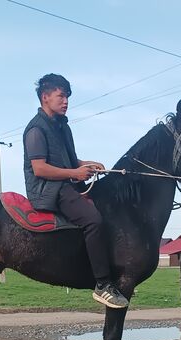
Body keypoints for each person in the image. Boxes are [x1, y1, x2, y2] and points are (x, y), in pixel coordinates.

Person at [23, 73, 128, 309]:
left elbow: (69, 160)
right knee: (93, 220)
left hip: (63, 182)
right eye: (61, 96)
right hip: (47, 189)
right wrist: (74, 173)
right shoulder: (36, 130)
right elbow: (39, 169)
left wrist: (86, 165)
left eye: (67, 96)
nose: (66, 101)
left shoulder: (62, 127)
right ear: (45, 97)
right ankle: (102, 284)